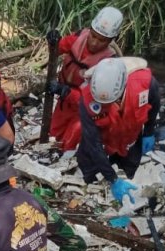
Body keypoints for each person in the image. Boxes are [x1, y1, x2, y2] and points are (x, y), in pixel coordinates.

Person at [77, 57, 160, 204]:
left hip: (130, 136)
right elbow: (93, 144)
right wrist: (113, 179)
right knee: (88, 174)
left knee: (129, 172)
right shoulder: (86, 99)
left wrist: (149, 132)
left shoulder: (145, 83)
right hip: (104, 138)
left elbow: (154, 104)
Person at [49, 6, 123, 151]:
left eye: (102, 40)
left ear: (111, 40)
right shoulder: (79, 38)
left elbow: (96, 102)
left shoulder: (109, 64)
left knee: (69, 143)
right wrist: (53, 41)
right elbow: (56, 50)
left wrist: (67, 92)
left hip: (86, 110)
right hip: (65, 103)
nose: (95, 43)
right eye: (93, 36)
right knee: (53, 136)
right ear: (90, 30)